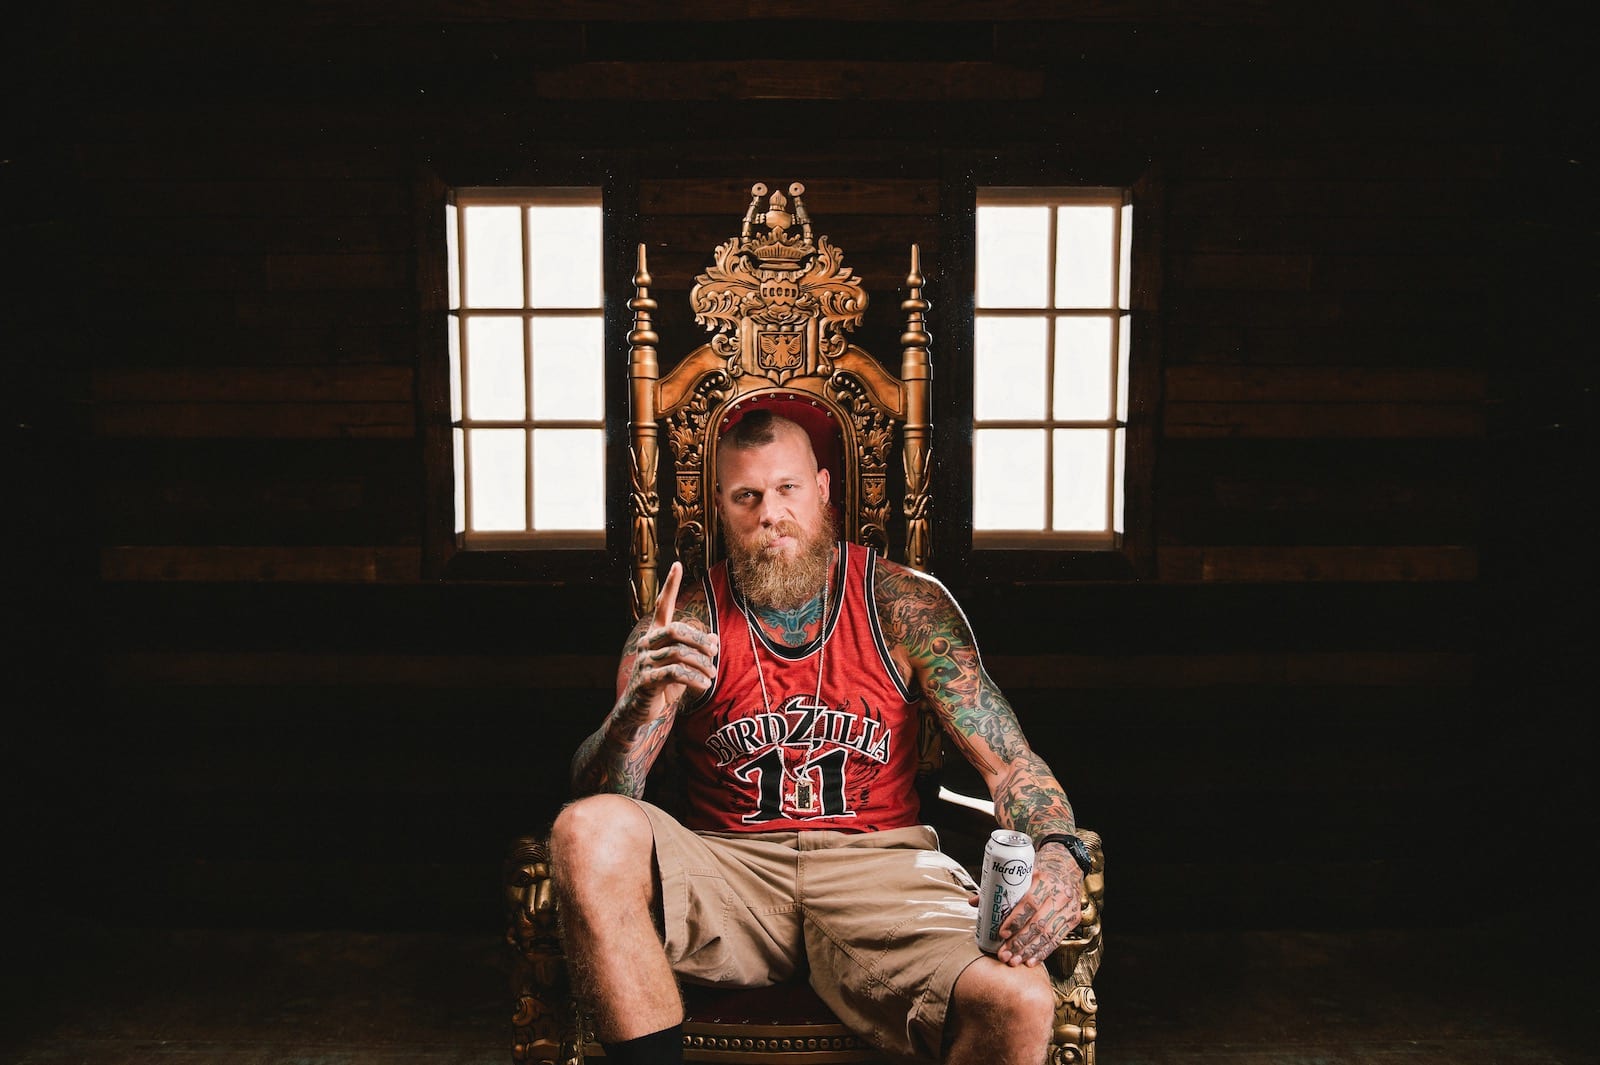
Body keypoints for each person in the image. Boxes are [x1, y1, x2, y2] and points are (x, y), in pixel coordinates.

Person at [549, 410, 1088, 1065]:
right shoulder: (683, 623)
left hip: (881, 871)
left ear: (824, 488)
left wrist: (1059, 849)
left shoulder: (903, 605)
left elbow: (1010, 766)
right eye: (746, 496)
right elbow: (602, 795)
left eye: (788, 488)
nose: (769, 513)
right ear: (721, 506)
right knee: (585, 830)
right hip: (731, 874)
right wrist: (635, 712)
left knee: (1019, 999)